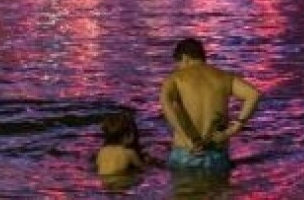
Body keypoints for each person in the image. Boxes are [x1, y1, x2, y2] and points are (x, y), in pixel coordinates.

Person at [160, 37, 260, 173]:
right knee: (218, 192)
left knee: (184, 192)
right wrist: (233, 130)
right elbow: (254, 94)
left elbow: (165, 102)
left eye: (178, 64)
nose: (178, 68)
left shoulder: (176, 78)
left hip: (186, 152)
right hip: (216, 154)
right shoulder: (224, 77)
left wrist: (186, 138)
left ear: (185, 58)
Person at [95, 111, 145, 175]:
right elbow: (142, 168)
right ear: (128, 135)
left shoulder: (102, 151)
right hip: (120, 181)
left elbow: (97, 165)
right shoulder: (129, 153)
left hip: (104, 181)